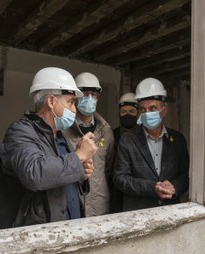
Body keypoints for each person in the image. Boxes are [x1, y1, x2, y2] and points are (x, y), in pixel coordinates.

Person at [0, 67, 97, 226]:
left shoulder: (59, 136)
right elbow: (34, 174)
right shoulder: (20, 132)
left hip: (70, 228)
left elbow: (59, 175)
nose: (74, 109)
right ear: (52, 101)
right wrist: (78, 156)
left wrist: (80, 176)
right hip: (40, 234)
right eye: (71, 102)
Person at [113, 77, 189, 211]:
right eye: (143, 110)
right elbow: (120, 178)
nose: (147, 113)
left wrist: (175, 187)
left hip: (170, 211)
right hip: (137, 213)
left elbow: (185, 176)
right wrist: (152, 188)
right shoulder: (127, 140)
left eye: (153, 108)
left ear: (164, 111)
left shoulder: (178, 140)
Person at [64, 72, 115, 216]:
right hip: (72, 203)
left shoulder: (106, 131)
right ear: (76, 97)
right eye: (85, 94)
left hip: (99, 205)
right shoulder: (63, 130)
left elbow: (108, 168)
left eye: (94, 94)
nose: (90, 99)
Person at [110, 92, 140, 213]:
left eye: (131, 111)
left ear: (138, 113)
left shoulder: (144, 136)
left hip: (138, 191)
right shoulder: (111, 135)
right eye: (124, 112)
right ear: (119, 114)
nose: (127, 115)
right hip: (115, 191)